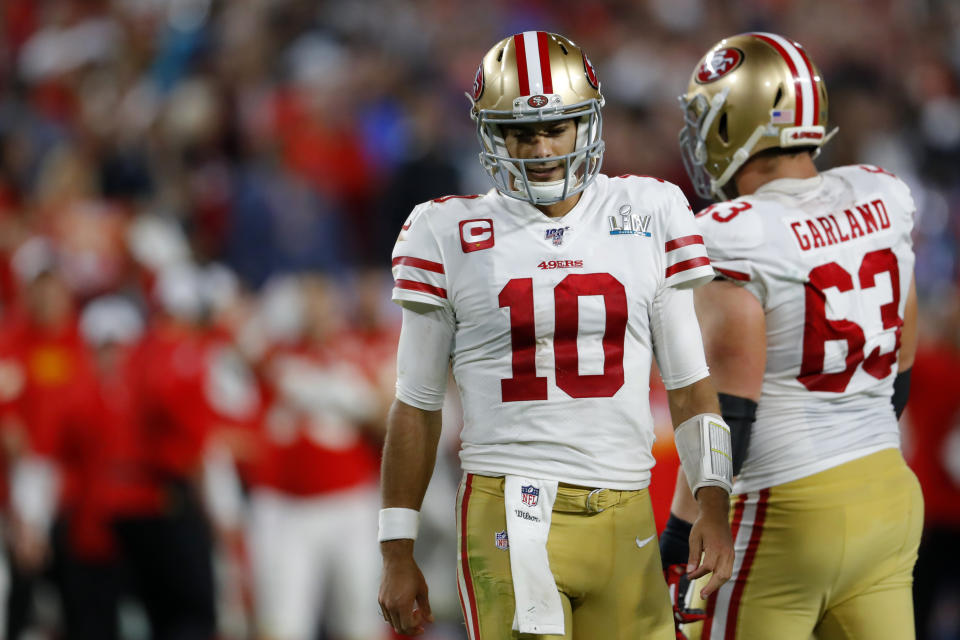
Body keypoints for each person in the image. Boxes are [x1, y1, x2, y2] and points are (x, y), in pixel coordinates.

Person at [378, 31, 735, 639]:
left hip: (627, 502)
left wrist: (714, 504)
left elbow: (689, 384)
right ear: (494, 135)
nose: (540, 147)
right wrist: (395, 549)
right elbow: (416, 406)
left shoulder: (649, 210)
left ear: (587, 125)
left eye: (556, 127)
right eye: (521, 132)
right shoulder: (445, 230)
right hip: (510, 505)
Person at [661, 32, 922, 640]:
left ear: (734, 124)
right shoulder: (880, 196)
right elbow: (899, 374)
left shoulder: (733, 232)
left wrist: (686, 528)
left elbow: (725, 410)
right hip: (889, 495)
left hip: (786, 510)